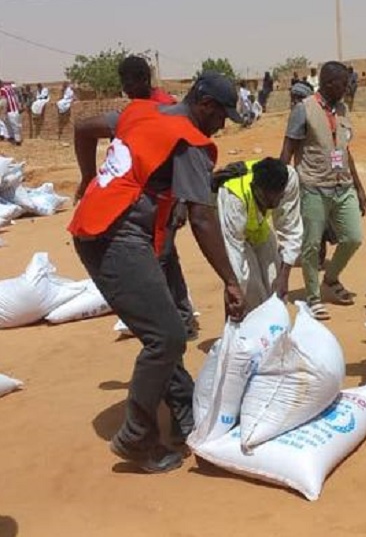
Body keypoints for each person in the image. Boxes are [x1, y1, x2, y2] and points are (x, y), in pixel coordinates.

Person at [69, 71, 248, 474]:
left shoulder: (144, 112)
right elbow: (202, 218)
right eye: (222, 115)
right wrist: (231, 281)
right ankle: (137, 436)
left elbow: (84, 128)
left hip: (119, 230)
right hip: (114, 238)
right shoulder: (191, 143)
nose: (222, 125)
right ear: (205, 105)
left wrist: (88, 176)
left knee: (171, 327)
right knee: (165, 336)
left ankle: (185, 416)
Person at [74, 55, 200, 340]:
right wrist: (87, 176)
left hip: (165, 200)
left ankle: (178, 321)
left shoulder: (162, 109)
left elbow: (185, 160)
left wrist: (181, 202)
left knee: (163, 258)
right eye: (123, 81)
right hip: (146, 203)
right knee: (165, 256)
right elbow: (82, 129)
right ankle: (178, 318)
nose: (127, 87)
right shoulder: (137, 110)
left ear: (145, 79)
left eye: (131, 80)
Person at [280, 61, 366, 321]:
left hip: (343, 186)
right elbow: (288, 149)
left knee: (353, 237)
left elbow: (344, 150)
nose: (347, 87)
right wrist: (278, 186)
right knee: (311, 245)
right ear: (330, 83)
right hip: (313, 186)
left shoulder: (342, 109)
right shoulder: (302, 110)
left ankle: (330, 279)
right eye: (343, 83)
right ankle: (313, 296)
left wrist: (359, 188)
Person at [212, 157, 303, 310]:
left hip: (259, 229)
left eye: (279, 197)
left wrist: (284, 276)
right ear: (257, 188)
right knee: (251, 291)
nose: (276, 203)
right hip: (234, 232)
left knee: (275, 288)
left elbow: (291, 228)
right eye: (269, 200)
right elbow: (234, 253)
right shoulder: (233, 197)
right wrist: (235, 290)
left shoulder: (289, 180)